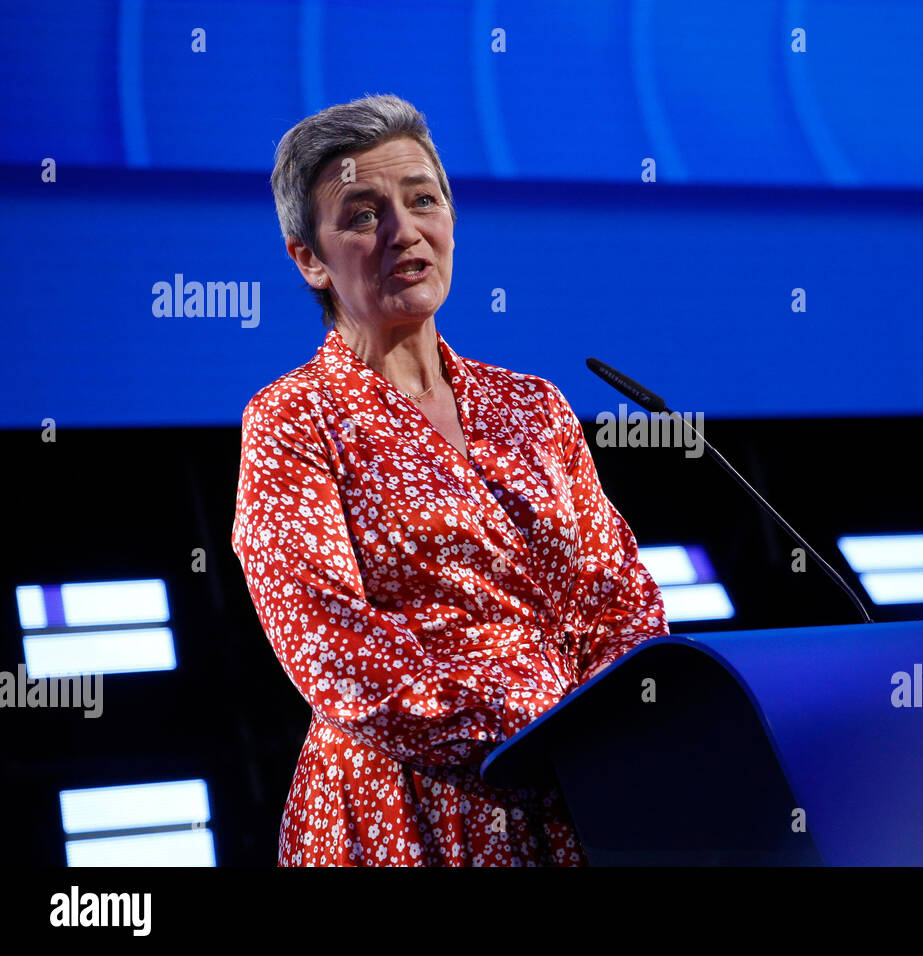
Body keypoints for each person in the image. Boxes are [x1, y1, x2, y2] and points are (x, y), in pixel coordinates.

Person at [231, 94, 669, 866]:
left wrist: (627, 726)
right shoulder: (293, 421)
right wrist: (543, 726)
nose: (405, 232)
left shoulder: (532, 404)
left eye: (423, 200)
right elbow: (332, 649)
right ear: (309, 258)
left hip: (579, 801)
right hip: (402, 817)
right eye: (364, 214)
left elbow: (619, 601)